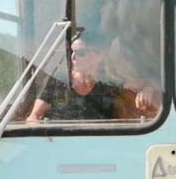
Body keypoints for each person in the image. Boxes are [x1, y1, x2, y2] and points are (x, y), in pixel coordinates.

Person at [26, 33, 161, 122]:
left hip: (100, 147)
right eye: (71, 52)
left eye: (80, 52)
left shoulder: (110, 83)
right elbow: (33, 116)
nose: (73, 57)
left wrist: (148, 90)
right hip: (61, 146)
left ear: (99, 56)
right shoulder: (58, 80)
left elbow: (150, 83)